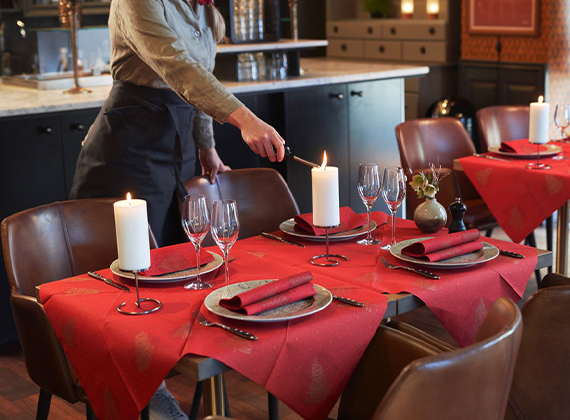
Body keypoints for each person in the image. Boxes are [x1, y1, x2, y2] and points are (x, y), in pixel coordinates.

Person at [69, 0, 286, 247]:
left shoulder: (201, 6)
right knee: (131, 256)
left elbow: (201, 75)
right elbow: (177, 66)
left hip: (179, 147)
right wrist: (246, 120)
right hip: (130, 145)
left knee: (177, 250)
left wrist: (206, 146)